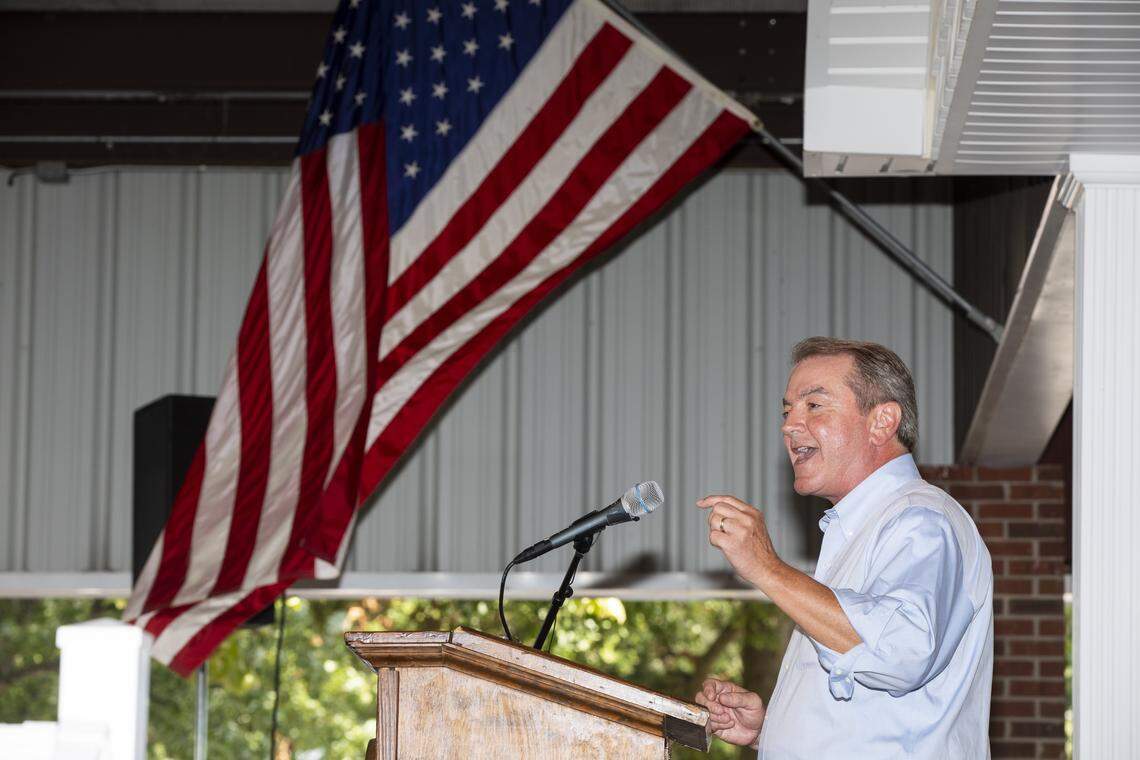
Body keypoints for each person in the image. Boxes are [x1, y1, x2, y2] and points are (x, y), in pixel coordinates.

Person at [694, 337, 992, 758]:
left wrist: (765, 566)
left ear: (882, 421)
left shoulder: (921, 521)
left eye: (813, 406)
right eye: (786, 410)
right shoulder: (861, 529)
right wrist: (772, 728)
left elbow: (900, 651)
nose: (788, 425)